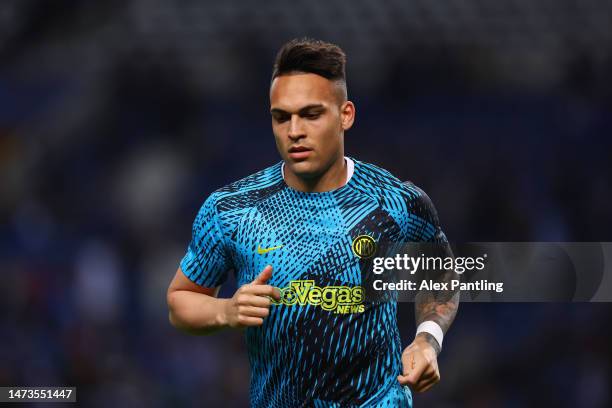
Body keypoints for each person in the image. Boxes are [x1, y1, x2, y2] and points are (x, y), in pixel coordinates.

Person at [167, 38, 459, 407]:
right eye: (281, 117)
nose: (294, 131)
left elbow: (441, 274)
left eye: (311, 114)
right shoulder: (232, 209)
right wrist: (225, 310)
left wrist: (427, 339)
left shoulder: (397, 202)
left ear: (345, 115)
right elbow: (180, 300)